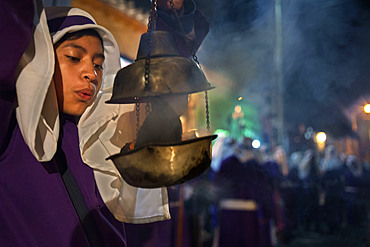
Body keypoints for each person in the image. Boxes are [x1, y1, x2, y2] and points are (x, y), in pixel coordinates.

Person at [0, 0, 209, 246]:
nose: (91, 74)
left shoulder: (100, 131)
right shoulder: (10, 130)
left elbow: (161, 75)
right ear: (40, 60)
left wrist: (171, 11)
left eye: (98, 65)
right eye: (74, 57)